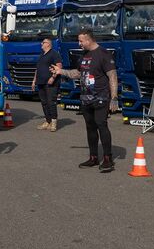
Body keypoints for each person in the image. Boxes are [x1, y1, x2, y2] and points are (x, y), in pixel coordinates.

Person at [50, 29, 118, 173]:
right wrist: (61, 72)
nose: (79, 43)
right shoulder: (84, 55)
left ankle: (107, 158)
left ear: (89, 40)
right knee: (90, 127)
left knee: (101, 124)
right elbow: (78, 73)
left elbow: (112, 76)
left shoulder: (104, 54)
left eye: (81, 41)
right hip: (85, 99)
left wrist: (114, 98)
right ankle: (93, 157)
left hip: (101, 97)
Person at [32, 38, 62, 132]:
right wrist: (34, 80)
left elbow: (59, 67)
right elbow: (38, 69)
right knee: (44, 103)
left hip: (51, 83)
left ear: (48, 44)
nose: (41, 43)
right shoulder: (41, 55)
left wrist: (53, 78)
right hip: (41, 82)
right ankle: (47, 121)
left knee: (51, 102)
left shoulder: (54, 54)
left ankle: (53, 122)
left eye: (43, 42)